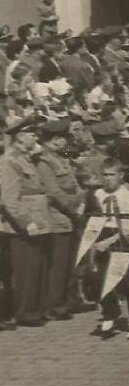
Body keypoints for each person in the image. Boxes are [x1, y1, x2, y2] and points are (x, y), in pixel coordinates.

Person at [0, 117, 55, 328]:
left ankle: (35, 309)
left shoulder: (26, 158)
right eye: (31, 134)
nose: (35, 137)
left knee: (37, 268)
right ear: (21, 136)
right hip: (22, 226)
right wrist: (25, 222)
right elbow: (9, 200)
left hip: (39, 221)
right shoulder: (10, 161)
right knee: (26, 270)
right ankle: (25, 312)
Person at [36, 118, 85, 321]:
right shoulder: (44, 161)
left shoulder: (61, 155)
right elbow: (54, 193)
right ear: (53, 140)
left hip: (71, 216)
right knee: (59, 264)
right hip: (58, 218)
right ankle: (55, 305)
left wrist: (83, 199)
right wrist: (75, 206)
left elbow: (78, 165)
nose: (65, 141)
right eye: (62, 138)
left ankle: (70, 300)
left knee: (72, 261)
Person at [89, 158, 129, 338]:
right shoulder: (98, 194)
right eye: (105, 175)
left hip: (122, 236)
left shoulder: (126, 195)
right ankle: (110, 313)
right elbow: (92, 219)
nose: (108, 179)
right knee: (100, 278)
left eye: (112, 175)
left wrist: (109, 241)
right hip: (102, 235)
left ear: (120, 175)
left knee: (127, 279)